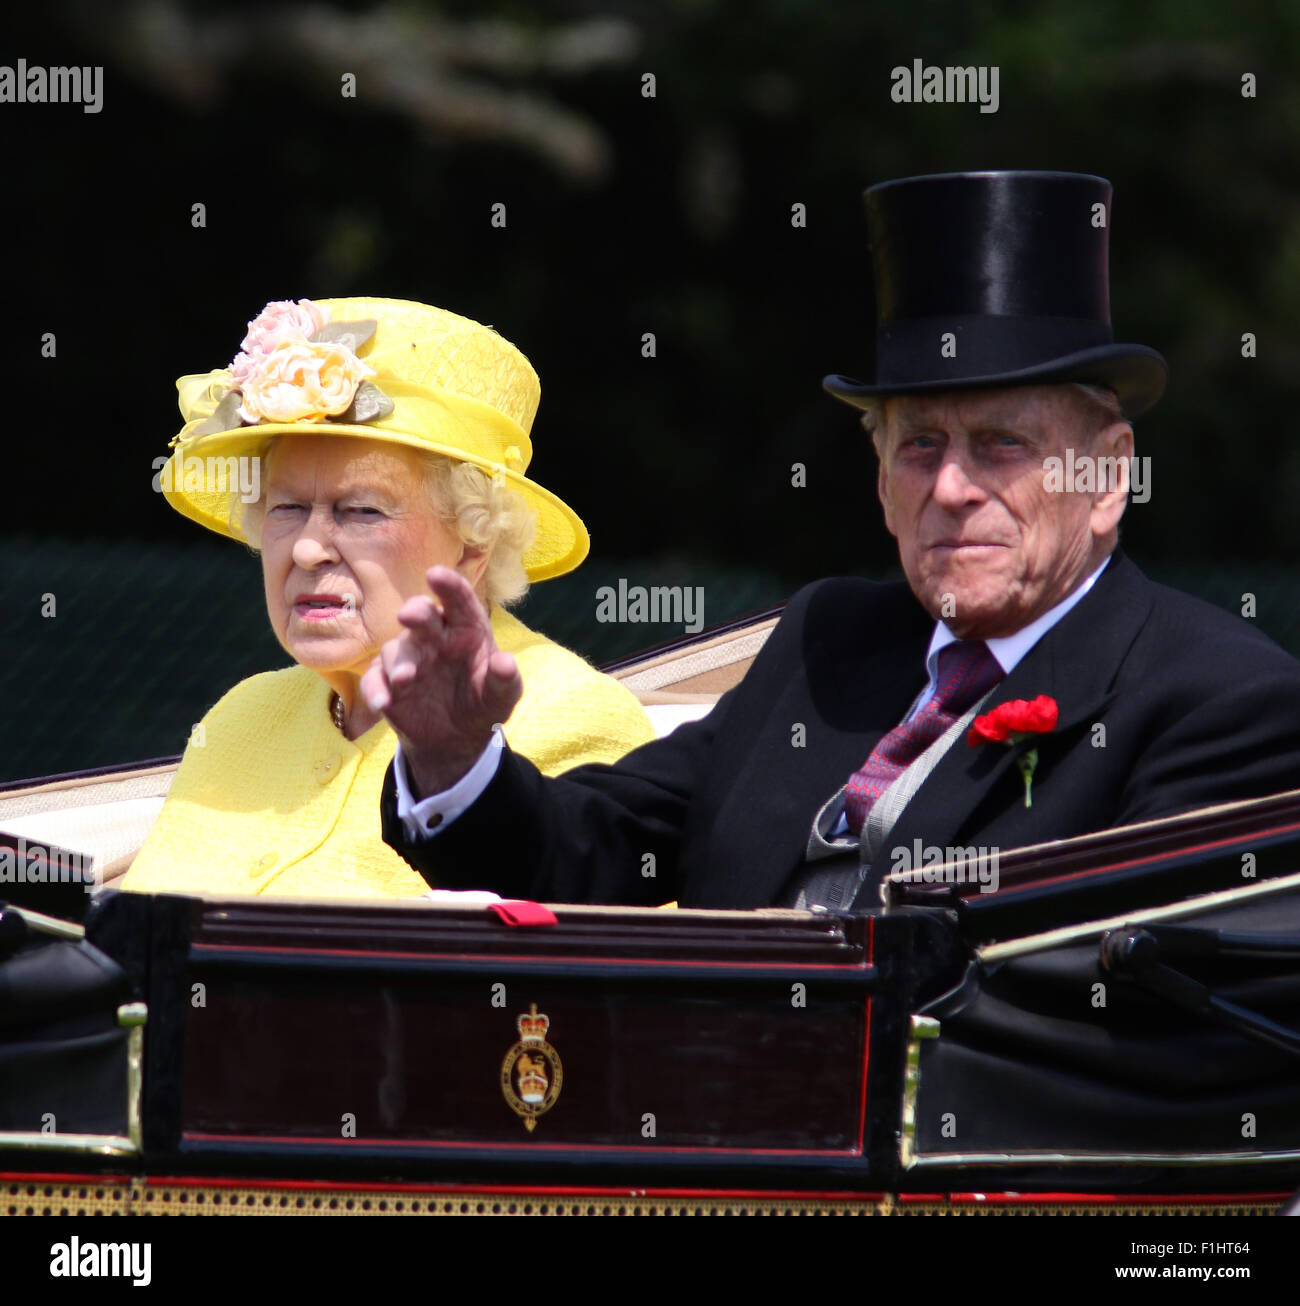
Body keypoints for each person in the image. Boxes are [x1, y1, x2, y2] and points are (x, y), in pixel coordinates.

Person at [369, 172, 1300, 911]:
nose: (951, 489)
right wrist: (453, 758)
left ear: (1104, 477)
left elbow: (1124, 1032)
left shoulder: (1220, 701)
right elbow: (586, 853)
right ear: (880, 477)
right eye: (920, 446)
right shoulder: (833, 639)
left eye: (1002, 446)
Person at [120, 296, 653, 898]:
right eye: (288, 508)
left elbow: (599, 980)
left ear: (473, 544)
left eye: (362, 510)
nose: (306, 550)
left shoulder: (571, 717)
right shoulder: (242, 716)